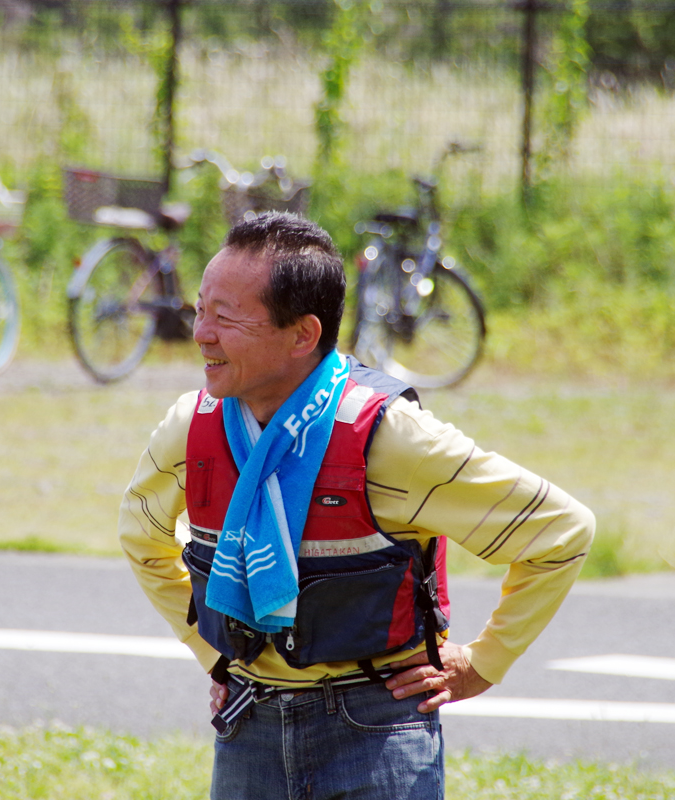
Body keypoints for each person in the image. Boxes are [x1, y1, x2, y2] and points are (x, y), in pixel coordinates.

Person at [119, 212, 595, 800]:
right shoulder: (191, 429)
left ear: (302, 334)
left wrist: (481, 663)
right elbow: (141, 536)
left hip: (377, 729)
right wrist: (214, 655)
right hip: (248, 728)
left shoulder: (392, 438)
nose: (200, 333)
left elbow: (561, 533)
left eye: (227, 316)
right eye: (201, 308)